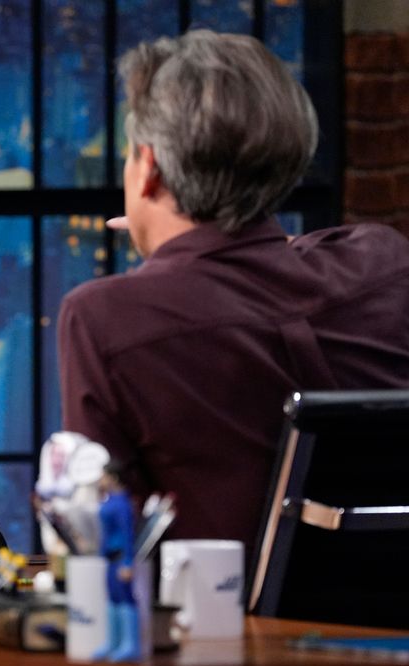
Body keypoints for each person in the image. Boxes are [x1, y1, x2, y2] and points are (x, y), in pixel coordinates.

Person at [58, 30, 409, 555]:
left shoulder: (103, 317)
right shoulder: (384, 263)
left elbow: (104, 546)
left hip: (221, 632)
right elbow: (280, 271)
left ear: (149, 167)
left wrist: (170, 260)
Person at [91, 463, 139, 663]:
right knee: (112, 598)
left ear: (114, 478)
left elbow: (128, 535)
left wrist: (128, 562)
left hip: (120, 557)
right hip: (110, 557)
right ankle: (113, 641)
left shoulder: (122, 504)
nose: (100, 480)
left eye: (104, 476)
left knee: (125, 598)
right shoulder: (110, 500)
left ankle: (130, 644)